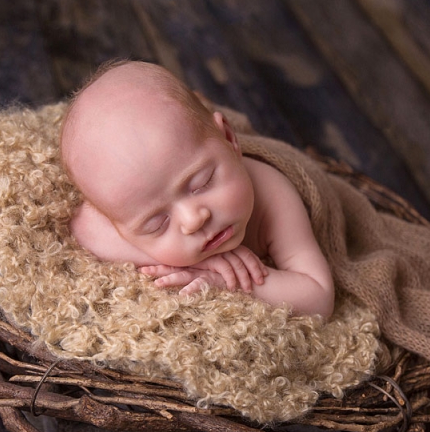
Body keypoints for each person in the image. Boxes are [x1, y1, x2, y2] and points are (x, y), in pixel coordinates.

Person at [61, 60, 334, 318]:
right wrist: (189, 263)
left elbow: (319, 297)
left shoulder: (274, 195)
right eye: (158, 223)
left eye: (202, 183)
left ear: (229, 139)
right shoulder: (124, 209)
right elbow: (84, 227)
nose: (194, 220)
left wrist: (235, 280)